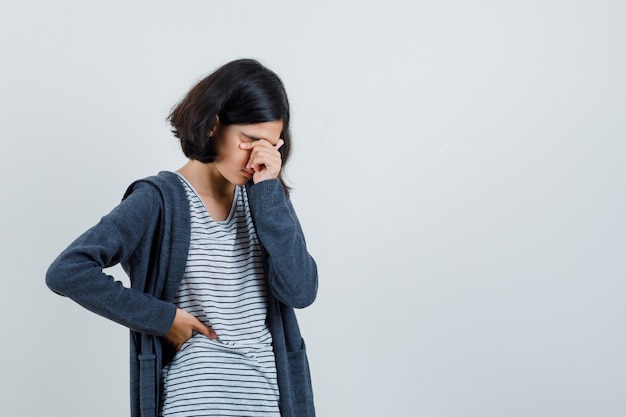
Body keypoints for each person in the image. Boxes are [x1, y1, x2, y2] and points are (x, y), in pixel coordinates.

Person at [46, 58, 318, 417]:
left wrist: (269, 192)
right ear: (213, 125)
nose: (256, 158)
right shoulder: (158, 200)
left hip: (268, 402)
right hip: (195, 402)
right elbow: (68, 271)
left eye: (270, 146)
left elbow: (300, 291)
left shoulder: (266, 199)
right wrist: (163, 318)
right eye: (248, 141)